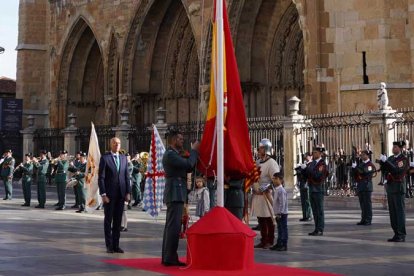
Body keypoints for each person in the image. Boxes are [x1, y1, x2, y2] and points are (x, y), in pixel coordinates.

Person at [162, 130, 198, 266]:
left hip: (177, 191)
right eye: (180, 139)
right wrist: (194, 151)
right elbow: (188, 164)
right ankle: (170, 257)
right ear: (173, 140)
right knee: (174, 226)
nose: (182, 141)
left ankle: (167, 256)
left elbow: (188, 168)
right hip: (175, 192)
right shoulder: (170, 154)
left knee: (171, 226)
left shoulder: (175, 154)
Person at [98, 137, 131, 253]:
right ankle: (109, 245)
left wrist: (128, 192)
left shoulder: (123, 158)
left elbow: (127, 176)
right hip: (109, 195)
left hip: (121, 194)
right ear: (110, 144)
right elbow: (101, 178)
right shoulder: (105, 158)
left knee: (117, 221)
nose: (117, 145)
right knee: (108, 220)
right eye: (114, 143)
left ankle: (116, 245)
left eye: (118, 143)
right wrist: (103, 194)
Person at [251, 138, 280, 249]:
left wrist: (264, 188)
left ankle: (270, 240)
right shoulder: (257, 162)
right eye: (259, 148)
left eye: (262, 148)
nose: (259, 150)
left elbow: (275, 179)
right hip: (257, 194)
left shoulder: (272, 163)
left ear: (266, 149)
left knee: (268, 218)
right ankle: (263, 240)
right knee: (261, 218)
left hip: (266, 194)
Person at [379, 141, 409, 242]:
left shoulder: (403, 159)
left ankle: (401, 234)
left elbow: (397, 170)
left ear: (400, 149)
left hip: (398, 188)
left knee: (399, 212)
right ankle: (396, 233)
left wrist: (386, 162)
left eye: (395, 147)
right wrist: (382, 162)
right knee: (392, 212)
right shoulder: (391, 158)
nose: (393, 149)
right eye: (393, 147)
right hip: (391, 187)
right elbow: (384, 170)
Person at [303, 146, 328, 236]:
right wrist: (303, 170)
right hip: (312, 188)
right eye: (313, 152)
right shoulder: (312, 163)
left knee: (319, 210)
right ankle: (316, 228)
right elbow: (307, 175)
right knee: (314, 210)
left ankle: (320, 229)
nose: (313, 154)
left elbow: (317, 175)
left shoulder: (322, 164)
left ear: (320, 153)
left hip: (318, 189)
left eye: (315, 152)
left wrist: (308, 169)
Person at [352, 149, 376, 226]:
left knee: (367, 204)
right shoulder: (361, 164)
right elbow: (356, 173)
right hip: (361, 186)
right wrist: (354, 169)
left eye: (363, 154)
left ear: (367, 155)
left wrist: (356, 168)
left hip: (366, 186)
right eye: (361, 154)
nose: (361, 156)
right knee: (362, 204)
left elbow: (364, 172)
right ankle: (363, 219)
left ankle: (368, 219)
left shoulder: (370, 165)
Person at [270, 172, 288, 251]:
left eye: (276, 179)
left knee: (283, 229)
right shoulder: (277, 189)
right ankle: (279, 243)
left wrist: (280, 213)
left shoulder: (281, 190)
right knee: (280, 229)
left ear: (280, 180)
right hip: (278, 213)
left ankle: (283, 244)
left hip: (282, 214)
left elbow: (282, 203)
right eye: (273, 179)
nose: (274, 180)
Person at [295, 152, 312, 221]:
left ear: (310, 157)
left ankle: (309, 216)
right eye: (305, 156)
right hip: (302, 183)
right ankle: (304, 215)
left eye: (307, 156)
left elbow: (310, 173)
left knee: (307, 201)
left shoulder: (312, 164)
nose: (306, 157)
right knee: (303, 201)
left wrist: (305, 168)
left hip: (307, 184)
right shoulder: (305, 164)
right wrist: (299, 168)